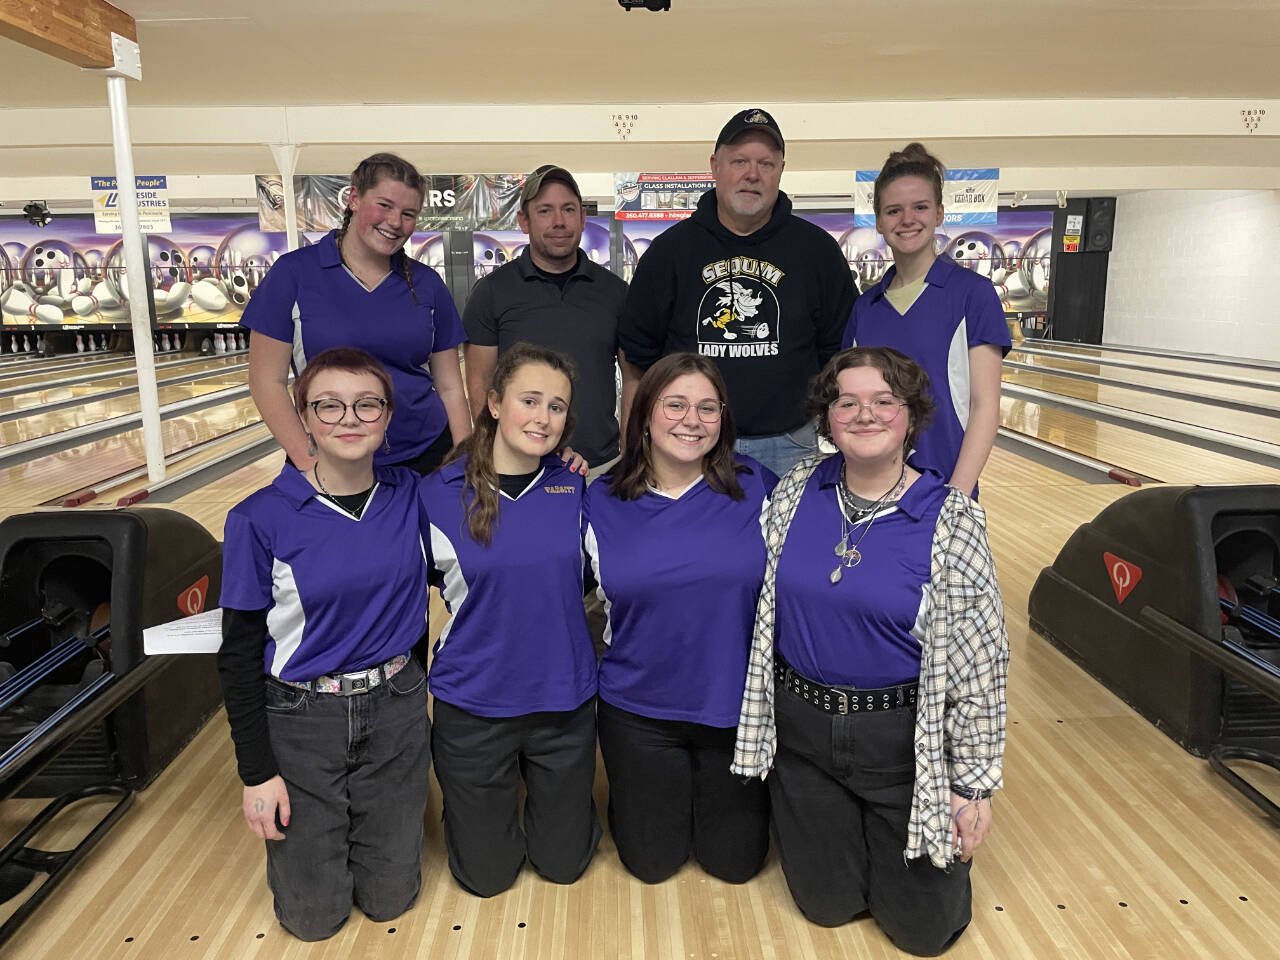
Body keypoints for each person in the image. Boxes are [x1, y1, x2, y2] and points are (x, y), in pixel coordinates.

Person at [733, 346, 1008, 955]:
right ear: (826, 417)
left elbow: (981, 662)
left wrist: (972, 786)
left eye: (885, 401)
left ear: (911, 416)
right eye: (847, 401)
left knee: (924, 934)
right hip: (802, 735)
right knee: (826, 908)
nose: (865, 414)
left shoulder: (949, 519)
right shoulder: (800, 488)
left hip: (900, 745)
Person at [217, 347, 431, 941]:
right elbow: (236, 653)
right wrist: (256, 773)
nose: (349, 418)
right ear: (304, 417)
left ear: (387, 418)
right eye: (328, 405)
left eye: (367, 404)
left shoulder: (410, 495)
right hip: (300, 717)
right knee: (313, 922)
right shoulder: (258, 518)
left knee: (392, 902)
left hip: (396, 705)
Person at [584, 353, 776, 884]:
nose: (691, 420)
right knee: (651, 865)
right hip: (637, 710)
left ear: (723, 419)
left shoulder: (757, 487)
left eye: (706, 408)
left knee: (735, 866)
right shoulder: (599, 499)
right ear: (645, 414)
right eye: (675, 405)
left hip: (735, 710)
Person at [419, 342, 600, 897]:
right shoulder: (435, 495)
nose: (543, 418)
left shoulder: (577, 489)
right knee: (486, 878)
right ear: (494, 402)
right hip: (474, 706)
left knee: (564, 865)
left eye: (557, 406)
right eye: (530, 400)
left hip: (562, 703)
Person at [618, 108, 857, 478]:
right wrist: (636, 446)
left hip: (790, 442)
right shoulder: (670, 253)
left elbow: (838, 354)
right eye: (740, 161)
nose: (752, 174)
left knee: (788, 539)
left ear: (780, 169)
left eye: (766, 163)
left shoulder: (818, 252)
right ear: (715, 166)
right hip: (690, 439)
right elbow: (637, 358)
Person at [243, 152, 471, 476]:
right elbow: (266, 381)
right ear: (353, 198)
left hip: (427, 455)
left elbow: (450, 387)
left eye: (409, 213)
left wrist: (463, 461)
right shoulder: (293, 275)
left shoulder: (427, 283)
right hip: (330, 460)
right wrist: (311, 465)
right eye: (384, 205)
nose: (395, 222)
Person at [842, 143, 1010, 496]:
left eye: (920, 207)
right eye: (893, 210)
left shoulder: (973, 295)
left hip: (946, 489)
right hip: (870, 493)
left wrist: (957, 496)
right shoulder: (864, 308)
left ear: (939, 213)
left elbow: (985, 408)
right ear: (878, 220)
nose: (907, 219)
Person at [463, 164, 635, 472]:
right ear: (523, 222)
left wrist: (632, 450)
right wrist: (490, 451)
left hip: (602, 466)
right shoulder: (491, 292)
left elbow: (633, 377)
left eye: (568, 209)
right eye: (545, 211)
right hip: (521, 466)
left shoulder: (616, 293)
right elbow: (479, 383)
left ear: (583, 219)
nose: (559, 221)